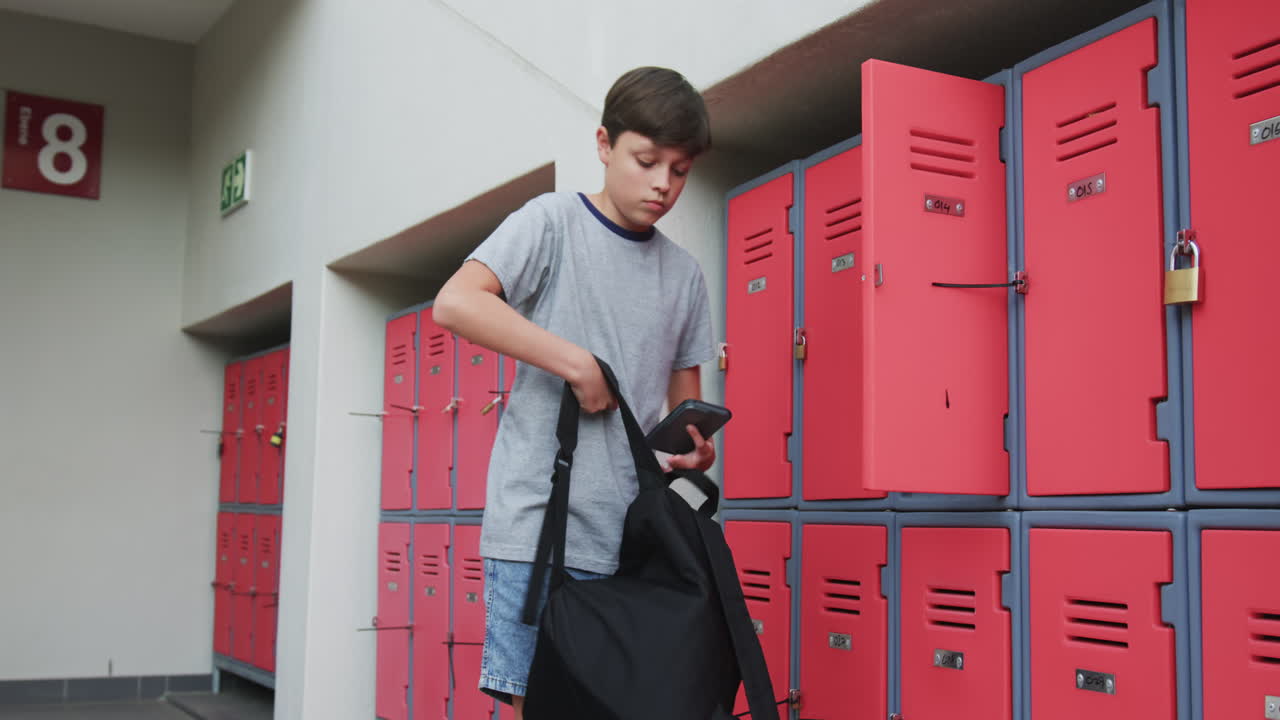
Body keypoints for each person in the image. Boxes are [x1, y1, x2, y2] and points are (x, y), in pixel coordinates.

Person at [431, 66, 718, 718]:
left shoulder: (684, 276)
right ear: (603, 144)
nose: (662, 185)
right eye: (646, 161)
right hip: (542, 536)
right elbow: (455, 303)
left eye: (679, 170)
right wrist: (575, 363)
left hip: (638, 544)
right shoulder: (553, 223)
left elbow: (677, 413)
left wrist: (691, 453)